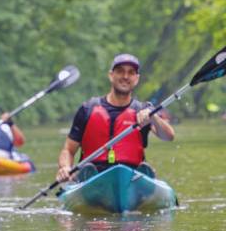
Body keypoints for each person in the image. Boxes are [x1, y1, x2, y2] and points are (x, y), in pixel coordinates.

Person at [56, 53, 175, 183]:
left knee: (141, 171)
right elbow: (68, 149)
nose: (125, 76)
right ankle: (84, 178)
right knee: (84, 172)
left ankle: (143, 178)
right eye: (120, 71)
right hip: (92, 176)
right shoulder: (88, 109)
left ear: (137, 78)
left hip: (131, 178)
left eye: (131, 73)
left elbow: (169, 136)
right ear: (111, 75)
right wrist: (65, 167)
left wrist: (154, 117)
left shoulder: (144, 110)